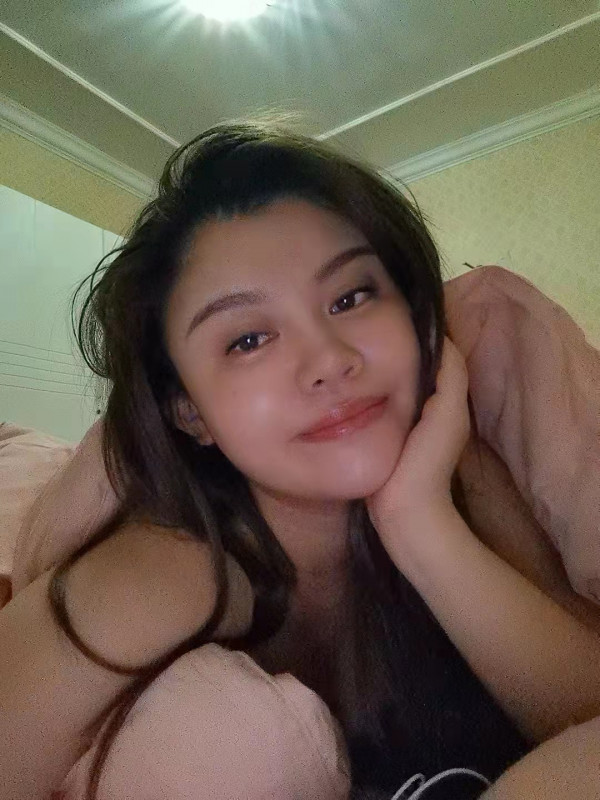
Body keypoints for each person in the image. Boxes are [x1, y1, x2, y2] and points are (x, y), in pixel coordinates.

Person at [2, 120, 600, 800]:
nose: (329, 360)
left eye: (351, 297)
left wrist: (418, 522)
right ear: (190, 413)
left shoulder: (471, 475)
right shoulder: (170, 571)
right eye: (248, 340)